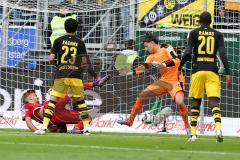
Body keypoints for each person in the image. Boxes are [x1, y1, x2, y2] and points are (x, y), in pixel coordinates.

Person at [35, 18, 100, 135]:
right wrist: (95, 76)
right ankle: (86, 128)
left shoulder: (58, 40)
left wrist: (57, 65)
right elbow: (85, 62)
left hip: (62, 74)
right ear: (76, 29)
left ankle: (43, 127)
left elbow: (51, 58)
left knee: (52, 102)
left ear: (65, 27)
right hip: (75, 75)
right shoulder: (80, 42)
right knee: (81, 103)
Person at [117, 33, 191, 136]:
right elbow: (143, 68)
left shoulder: (166, 47)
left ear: (152, 43)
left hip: (175, 80)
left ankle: (187, 126)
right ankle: (130, 121)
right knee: (142, 95)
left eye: (147, 46)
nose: (146, 49)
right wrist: (129, 72)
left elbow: (177, 60)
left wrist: (163, 64)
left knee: (179, 102)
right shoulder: (151, 57)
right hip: (163, 81)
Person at [178, 11, 232, 142]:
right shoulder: (218, 34)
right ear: (211, 21)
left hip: (198, 70)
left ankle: (193, 134)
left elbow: (187, 52)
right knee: (214, 102)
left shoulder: (194, 33)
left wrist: (180, 67)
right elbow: (223, 54)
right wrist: (229, 72)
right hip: (212, 70)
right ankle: (218, 129)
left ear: (199, 21)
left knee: (196, 102)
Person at [22, 76, 109, 134]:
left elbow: (53, 128)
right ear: (29, 99)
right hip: (52, 108)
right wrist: (37, 131)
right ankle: (94, 84)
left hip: (56, 116)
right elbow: (28, 122)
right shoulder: (28, 106)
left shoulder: (36, 108)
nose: (37, 97)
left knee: (87, 118)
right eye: (35, 96)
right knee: (71, 89)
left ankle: (77, 129)